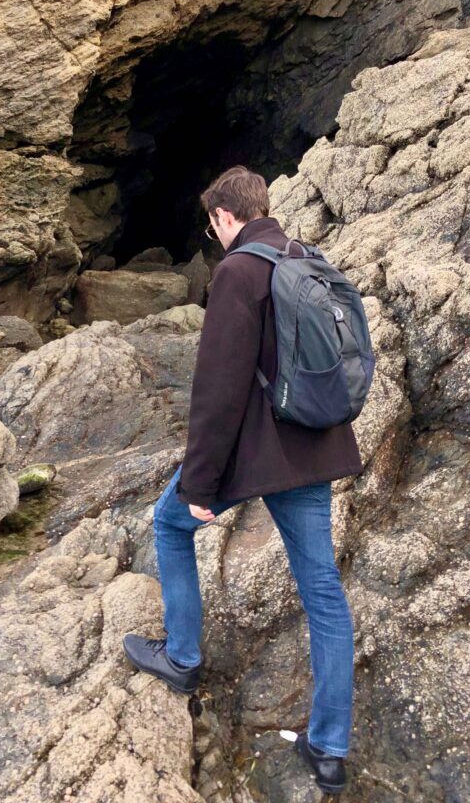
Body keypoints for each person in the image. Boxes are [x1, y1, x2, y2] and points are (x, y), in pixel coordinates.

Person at [123, 165, 364, 796]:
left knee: (170, 524)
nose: (214, 234)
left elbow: (218, 391)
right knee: (323, 591)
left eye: (212, 225)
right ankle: (330, 749)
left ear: (226, 218)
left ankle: (180, 658)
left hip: (256, 453)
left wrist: (200, 485)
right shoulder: (305, 257)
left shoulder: (236, 272)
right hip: (314, 447)